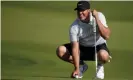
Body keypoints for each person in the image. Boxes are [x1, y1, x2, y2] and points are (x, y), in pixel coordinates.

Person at [56, 1, 111, 79]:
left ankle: (100, 66)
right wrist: (76, 69)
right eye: (78, 10)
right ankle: (81, 66)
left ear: (88, 10)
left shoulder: (99, 16)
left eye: (82, 10)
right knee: (60, 50)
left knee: (104, 56)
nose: (80, 13)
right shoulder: (74, 26)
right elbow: (75, 48)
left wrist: (97, 19)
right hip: (82, 48)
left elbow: (106, 36)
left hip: (98, 48)